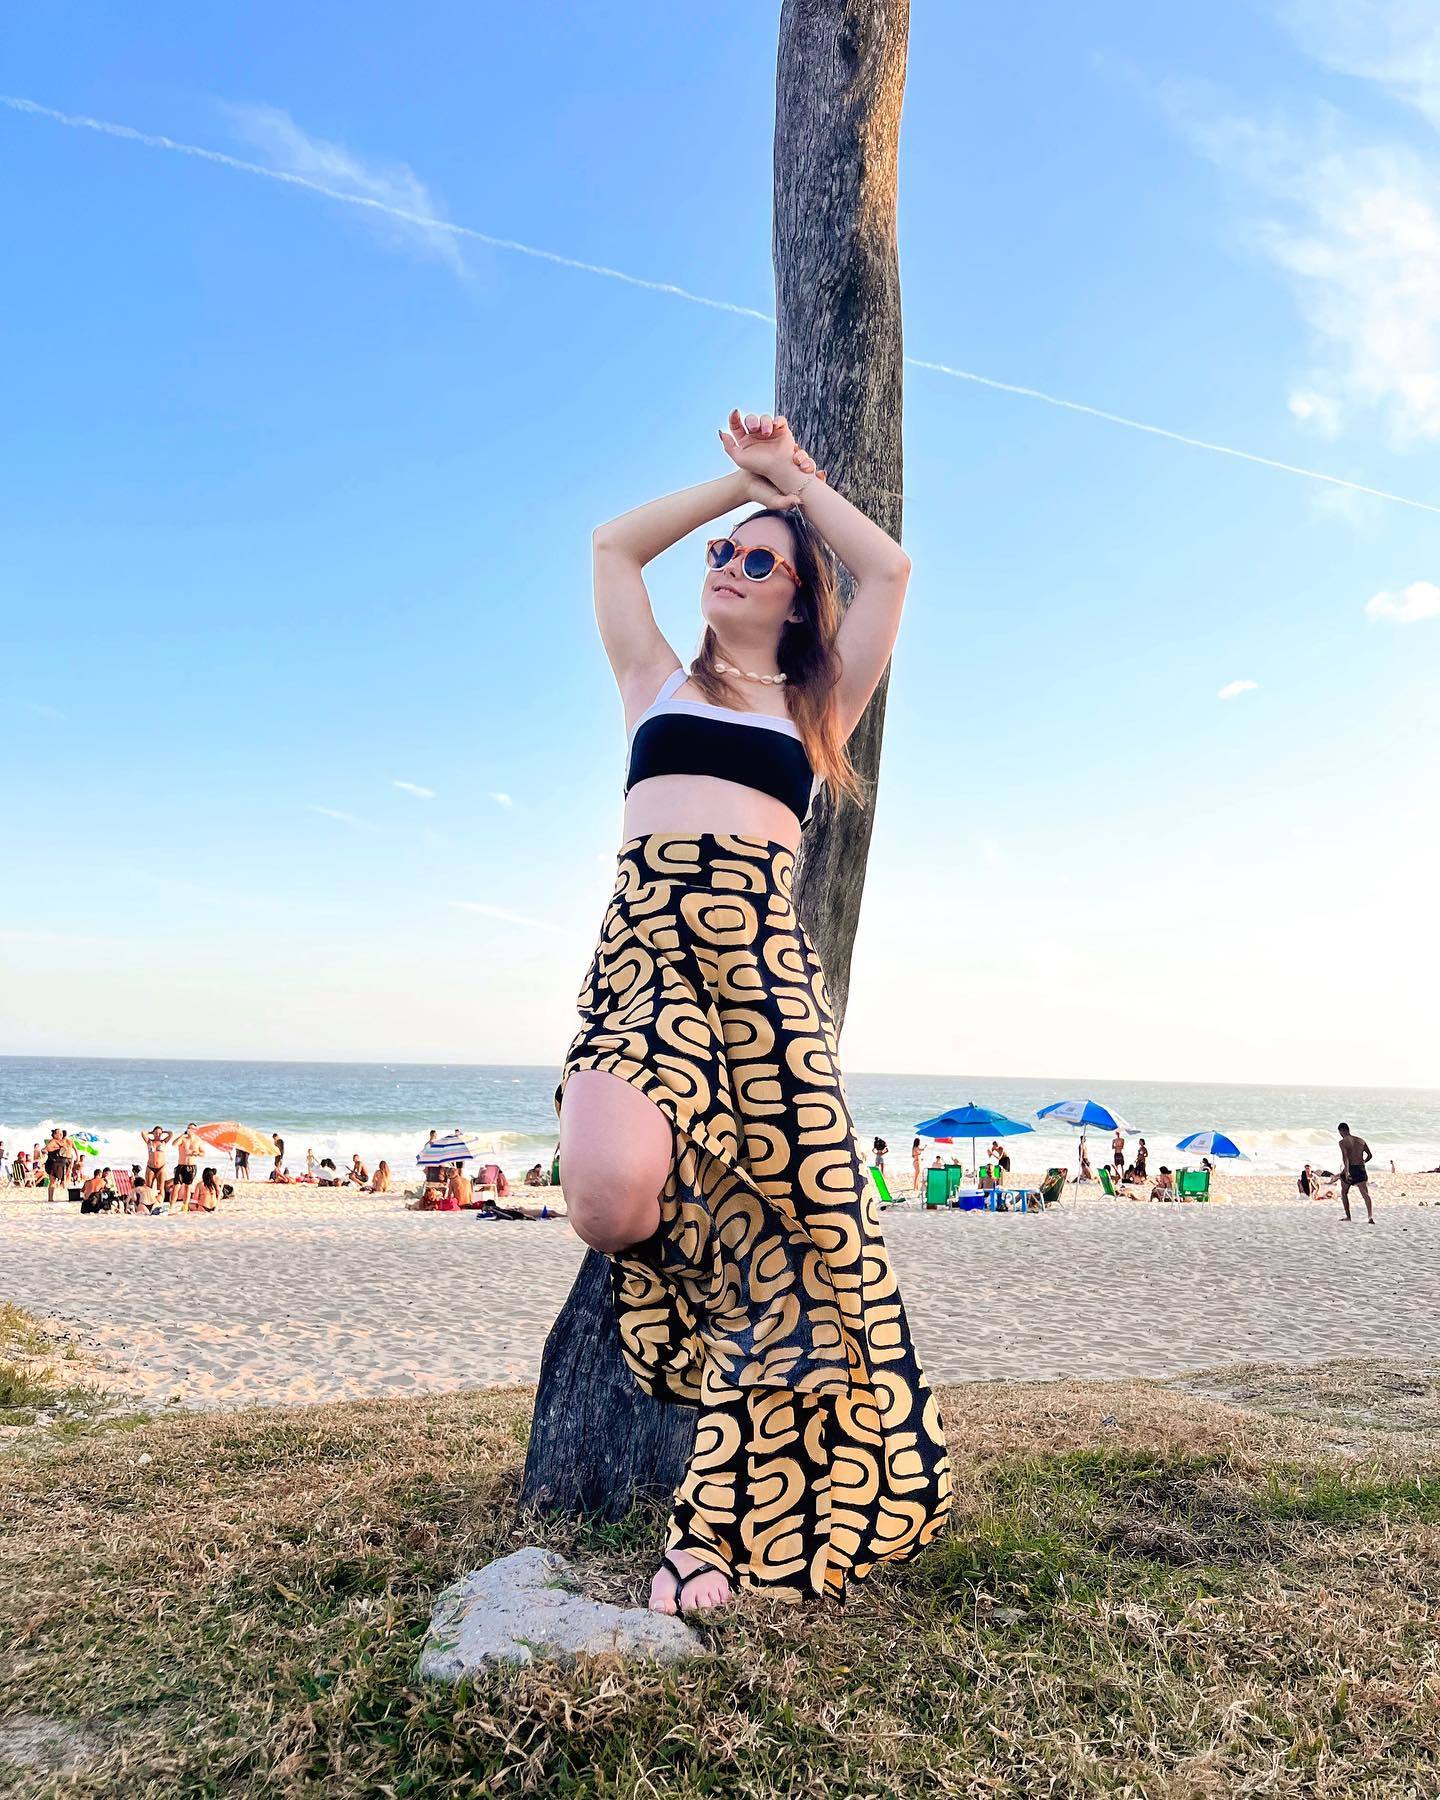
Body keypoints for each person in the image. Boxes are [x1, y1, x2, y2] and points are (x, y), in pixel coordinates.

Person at [555, 406, 951, 1616]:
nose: (727, 566)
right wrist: (737, 489)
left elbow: (890, 570)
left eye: (757, 563)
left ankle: (713, 1537)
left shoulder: (817, 708)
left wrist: (795, 486)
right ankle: (713, 1273)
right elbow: (613, 548)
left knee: (804, 1260)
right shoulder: (654, 682)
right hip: (643, 962)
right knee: (607, 1199)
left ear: (795, 601)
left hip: (763, 985)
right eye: (723, 556)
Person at [1337, 1122, 1375, 1223]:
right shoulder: (1361, 1140)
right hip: (1361, 1169)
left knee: (1344, 1192)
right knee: (1365, 1194)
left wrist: (1347, 1172)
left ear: (1341, 1131)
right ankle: (1370, 1216)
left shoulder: (1343, 1142)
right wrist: (1363, 1162)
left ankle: (1348, 1217)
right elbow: (1370, 1155)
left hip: (1351, 1168)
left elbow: (1345, 1157)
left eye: (1340, 1132)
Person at [140, 1126, 172, 1199]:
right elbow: (143, 1133)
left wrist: (163, 1132)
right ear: (153, 1133)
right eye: (156, 1133)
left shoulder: (163, 1142)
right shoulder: (149, 1141)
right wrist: (151, 1132)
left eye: (160, 1133)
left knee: (160, 1187)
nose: (158, 1134)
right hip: (150, 1167)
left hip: (161, 1167)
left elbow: (171, 1133)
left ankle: (159, 1202)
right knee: (148, 1187)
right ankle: (149, 1202)